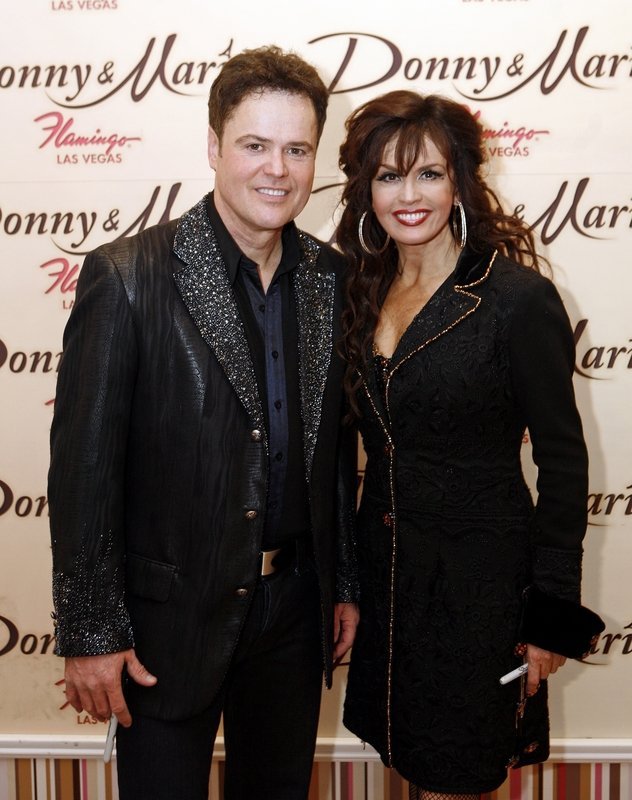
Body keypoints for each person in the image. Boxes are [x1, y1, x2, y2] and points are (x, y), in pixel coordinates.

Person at [48, 45, 359, 800]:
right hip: (165, 624)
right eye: (255, 145)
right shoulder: (128, 276)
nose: (277, 170)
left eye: (297, 149)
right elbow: (84, 471)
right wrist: (91, 632)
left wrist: (343, 582)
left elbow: (335, 454)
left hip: (293, 614)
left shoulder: (332, 278)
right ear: (214, 147)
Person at [336, 90, 590, 799]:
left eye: (429, 174)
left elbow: (563, 461)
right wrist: (348, 583)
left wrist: (549, 616)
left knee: (458, 774)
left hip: (481, 594)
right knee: (406, 764)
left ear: (460, 183)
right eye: (389, 176)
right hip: (389, 588)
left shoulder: (515, 299)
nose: (408, 196)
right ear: (367, 190)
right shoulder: (360, 291)